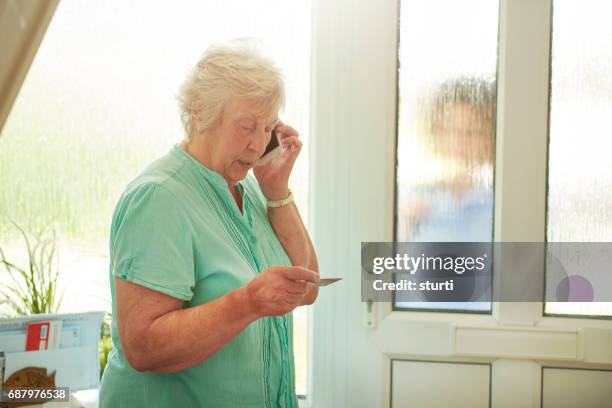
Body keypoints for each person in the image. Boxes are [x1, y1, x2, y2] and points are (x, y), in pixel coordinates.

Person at [99, 39, 319, 407]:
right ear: (199, 114)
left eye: (267, 128)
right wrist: (249, 302)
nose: (257, 144)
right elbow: (144, 347)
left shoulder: (246, 188)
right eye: (246, 126)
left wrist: (277, 190)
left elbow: (307, 287)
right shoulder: (159, 198)